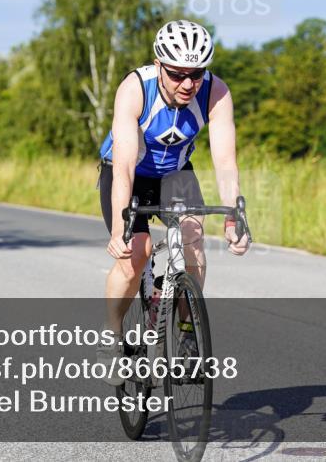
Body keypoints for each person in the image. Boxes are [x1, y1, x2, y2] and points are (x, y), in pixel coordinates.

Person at [96, 20, 250, 382]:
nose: (187, 84)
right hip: (128, 172)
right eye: (178, 74)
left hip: (176, 174)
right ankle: (112, 336)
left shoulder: (216, 92)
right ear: (158, 64)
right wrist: (120, 229)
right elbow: (124, 168)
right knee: (136, 253)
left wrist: (234, 217)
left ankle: (185, 336)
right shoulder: (136, 89)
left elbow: (226, 163)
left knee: (193, 239)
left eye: (195, 74)